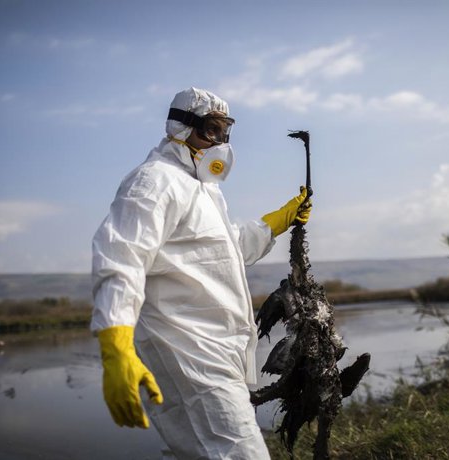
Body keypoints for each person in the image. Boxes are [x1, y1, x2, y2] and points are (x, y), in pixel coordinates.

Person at [90, 87, 311, 459]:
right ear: (180, 127)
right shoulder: (154, 181)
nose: (219, 142)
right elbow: (121, 259)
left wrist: (277, 221)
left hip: (217, 351)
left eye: (225, 131)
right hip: (186, 351)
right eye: (210, 129)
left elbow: (224, 252)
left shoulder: (203, 189)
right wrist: (116, 346)